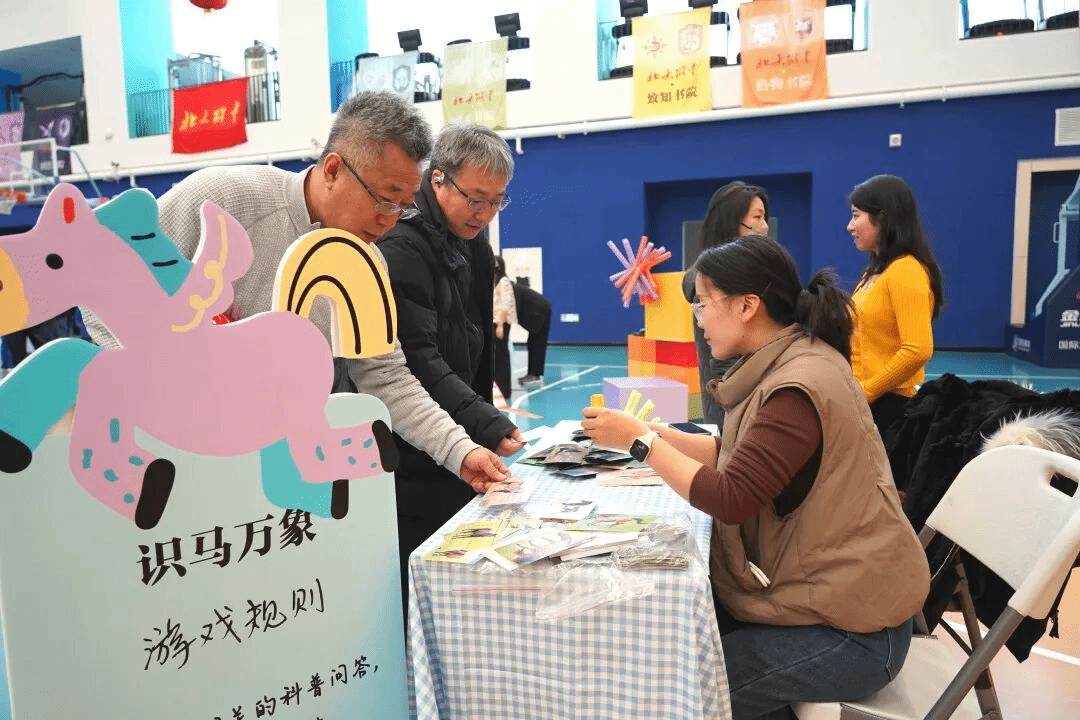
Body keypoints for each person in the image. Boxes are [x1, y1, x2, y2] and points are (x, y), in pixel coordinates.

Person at [83, 92, 509, 507]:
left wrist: (460, 452)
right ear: (333, 169)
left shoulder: (367, 262)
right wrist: (174, 393)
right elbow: (102, 278)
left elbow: (385, 376)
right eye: (384, 198)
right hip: (187, 467)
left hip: (281, 479)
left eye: (403, 206)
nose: (389, 220)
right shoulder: (224, 197)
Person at [582, 235, 930, 720]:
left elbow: (732, 497)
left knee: (681, 684)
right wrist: (650, 431)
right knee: (679, 642)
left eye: (704, 303)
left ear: (747, 306)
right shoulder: (790, 361)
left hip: (856, 634)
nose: (698, 319)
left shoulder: (798, 386)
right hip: (832, 603)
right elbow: (736, 457)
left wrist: (642, 443)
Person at [378, 123, 525, 592]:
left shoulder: (472, 241)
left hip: (457, 434)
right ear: (438, 178)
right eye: (476, 198)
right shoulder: (401, 246)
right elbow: (416, 361)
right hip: (413, 449)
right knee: (420, 572)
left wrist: (486, 420)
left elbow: (477, 346)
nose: (485, 213)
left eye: (497, 201)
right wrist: (481, 420)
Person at [847, 174, 944, 445]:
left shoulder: (906, 271)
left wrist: (867, 391)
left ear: (883, 218)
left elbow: (918, 349)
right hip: (867, 403)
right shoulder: (873, 273)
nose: (850, 226)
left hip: (889, 407)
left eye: (856, 216)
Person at [681, 181, 770, 426]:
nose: (764, 226)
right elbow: (723, 359)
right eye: (757, 217)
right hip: (734, 408)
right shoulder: (717, 279)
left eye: (764, 217)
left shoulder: (745, 270)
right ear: (732, 222)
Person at [511, 279, 551, 386]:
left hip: (540, 311)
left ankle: (535, 376)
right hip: (537, 311)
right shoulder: (511, 288)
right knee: (532, 343)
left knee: (536, 344)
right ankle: (532, 374)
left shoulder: (509, 290)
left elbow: (513, 311)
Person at [492, 254, 516, 400]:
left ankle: (505, 389)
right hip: (494, 321)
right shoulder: (494, 281)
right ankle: (498, 387)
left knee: (502, 356)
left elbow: (506, 305)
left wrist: (500, 325)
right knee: (496, 357)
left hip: (501, 323)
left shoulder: (503, 281)